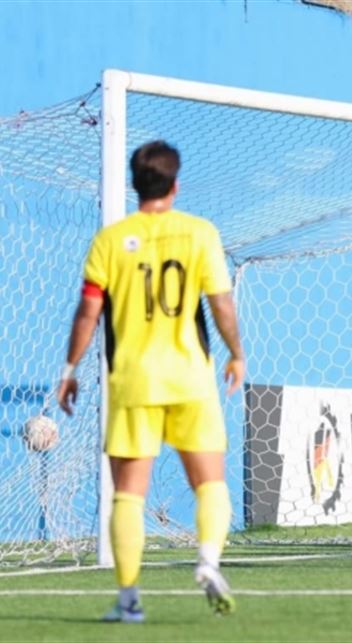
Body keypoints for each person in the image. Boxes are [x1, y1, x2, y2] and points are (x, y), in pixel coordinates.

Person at [57, 141, 244, 621]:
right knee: (210, 484)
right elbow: (221, 304)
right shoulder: (200, 233)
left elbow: (88, 312)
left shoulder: (110, 240)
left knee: (128, 493)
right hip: (191, 378)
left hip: (135, 380)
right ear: (176, 185)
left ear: (135, 184)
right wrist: (237, 353)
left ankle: (129, 601)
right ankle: (207, 561)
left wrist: (69, 369)